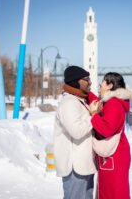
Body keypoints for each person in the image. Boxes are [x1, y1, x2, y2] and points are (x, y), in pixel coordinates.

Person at [53, 65, 97, 199]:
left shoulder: (78, 100)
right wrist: (94, 116)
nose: (90, 82)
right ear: (75, 81)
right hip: (75, 167)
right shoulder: (69, 103)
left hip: (83, 164)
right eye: (86, 79)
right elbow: (77, 131)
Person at [89, 72, 132, 199]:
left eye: (102, 82)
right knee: (113, 190)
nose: (99, 84)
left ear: (109, 85)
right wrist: (86, 93)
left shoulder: (113, 104)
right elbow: (97, 101)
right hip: (115, 155)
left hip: (114, 156)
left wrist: (94, 114)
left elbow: (107, 128)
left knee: (113, 192)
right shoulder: (112, 101)